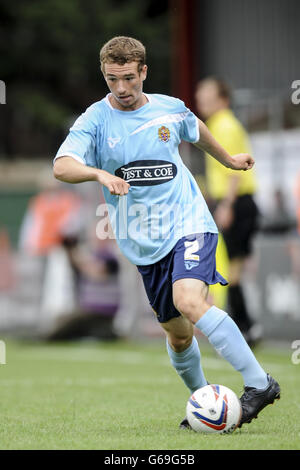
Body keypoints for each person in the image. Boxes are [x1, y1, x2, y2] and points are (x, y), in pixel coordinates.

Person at [53, 36, 280, 429]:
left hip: (189, 222)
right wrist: (97, 172)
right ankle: (206, 401)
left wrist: (228, 160)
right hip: (143, 244)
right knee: (178, 336)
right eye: (112, 80)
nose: (121, 88)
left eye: (128, 78)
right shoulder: (94, 120)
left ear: (143, 71)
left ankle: (260, 384)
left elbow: (195, 128)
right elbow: (62, 165)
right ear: (103, 76)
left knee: (189, 300)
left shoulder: (169, 110)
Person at [195, 77, 262, 346]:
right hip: (235, 202)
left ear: (223, 98)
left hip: (236, 203)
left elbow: (235, 169)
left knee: (230, 271)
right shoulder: (220, 123)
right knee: (232, 269)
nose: (202, 99)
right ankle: (245, 328)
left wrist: (226, 205)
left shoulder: (223, 124)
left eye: (208, 94)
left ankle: (244, 329)